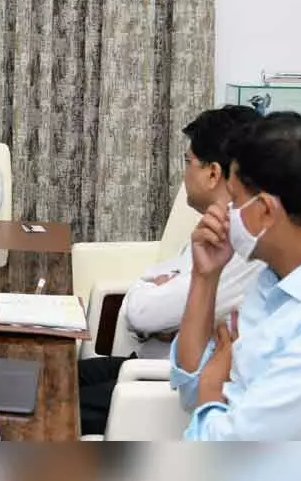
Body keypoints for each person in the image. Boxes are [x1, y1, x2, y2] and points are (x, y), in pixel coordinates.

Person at [172, 112, 301, 440]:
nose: (223, 212)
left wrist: (210, 390)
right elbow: (192, 389)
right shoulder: (273, 280)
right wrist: (205, 276)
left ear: (264, 210)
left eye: (233, 200)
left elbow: (228, 451)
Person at [79, 106, 265, 436]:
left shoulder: (241, 246)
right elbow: (150, 293)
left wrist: (170, 296)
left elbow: (142, 312)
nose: (184, 173)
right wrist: (167, 295)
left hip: (159, 386)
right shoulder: (212, 229)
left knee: (51, 402)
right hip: (146, 366)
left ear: (212, 173)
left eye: (187, 161)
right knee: (48, 375)